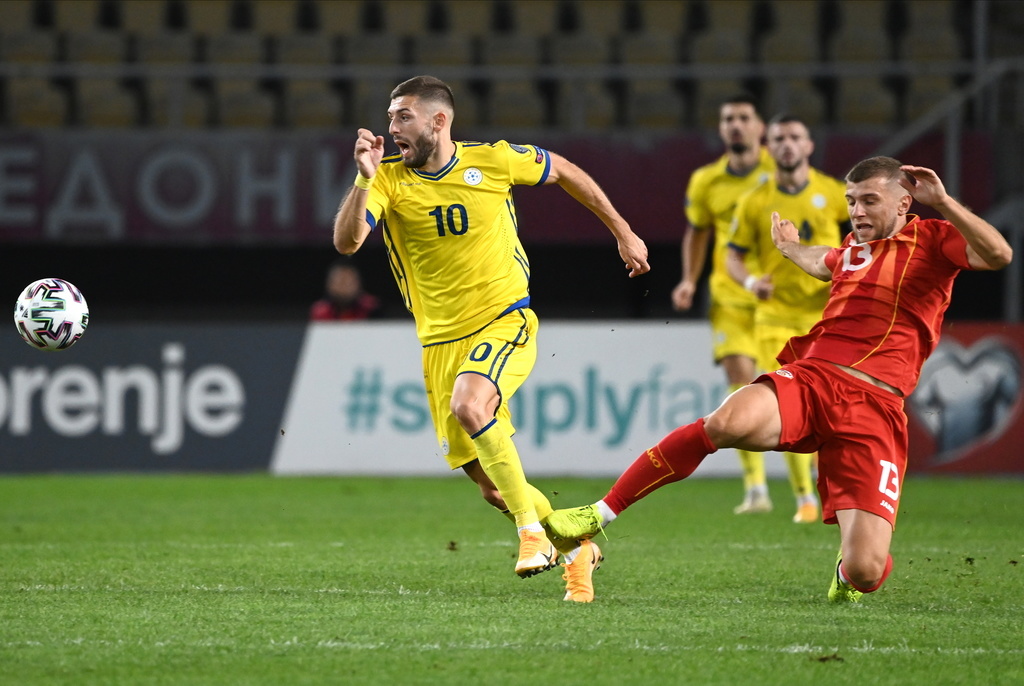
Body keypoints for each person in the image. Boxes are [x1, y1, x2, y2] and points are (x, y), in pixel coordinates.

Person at [545, 157, 1012, 603]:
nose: (856, 211)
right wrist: (789, 248)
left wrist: (946, 202)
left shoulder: (934, 239)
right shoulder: (853, 251)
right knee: (726, 420)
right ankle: (598, 513)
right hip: (814, 379)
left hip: (877, 408)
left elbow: (999, 254)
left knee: (867, 570)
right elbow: (821, 261)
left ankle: (847, 576)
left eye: (869, 200)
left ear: (903, 203)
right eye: (851, 200)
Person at [332, 75, 649, 602]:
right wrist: (363, 179)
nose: (391, 128)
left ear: (439, 120)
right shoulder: (386, 180)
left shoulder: (496, 160)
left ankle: (531, 536)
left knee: (470, 404)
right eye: (389, 117)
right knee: (492, 487)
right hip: (438, 343)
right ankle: (578, 549)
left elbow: (566, 171)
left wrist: (622, 230)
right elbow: (348, 243)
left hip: (503, 320)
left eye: (402, 116)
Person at [724, 114, 850, 523]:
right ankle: (805, 499)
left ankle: (831, 491)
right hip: (774, 318)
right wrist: (750, 283)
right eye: (779, 138)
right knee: (790, 399)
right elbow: (733, 257)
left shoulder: (835, 194)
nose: (787, 145)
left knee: (833, 407)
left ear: (809, 145)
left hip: (828, 316)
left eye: (795, 137)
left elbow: (866, 242)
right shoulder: (755, 201)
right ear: (769, 147)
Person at [670, 94, 778, 516]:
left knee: (788, 384)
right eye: (728, 118)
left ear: (759, 127)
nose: (735, 124)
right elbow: (697, 233)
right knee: (743, 379)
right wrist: (689, 280)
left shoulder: (783, 174)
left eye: (744, 118)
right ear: (721, 129)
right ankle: (756, 488)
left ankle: (810, 491)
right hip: (730, 295)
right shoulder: (706, 181)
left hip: (779, 299)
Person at [309, 258, 382, 321]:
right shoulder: (319, 311)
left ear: (358, 283)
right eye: (339, 282)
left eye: (348, 282)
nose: (343, 287)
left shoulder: (372, 308)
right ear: (329, 283)